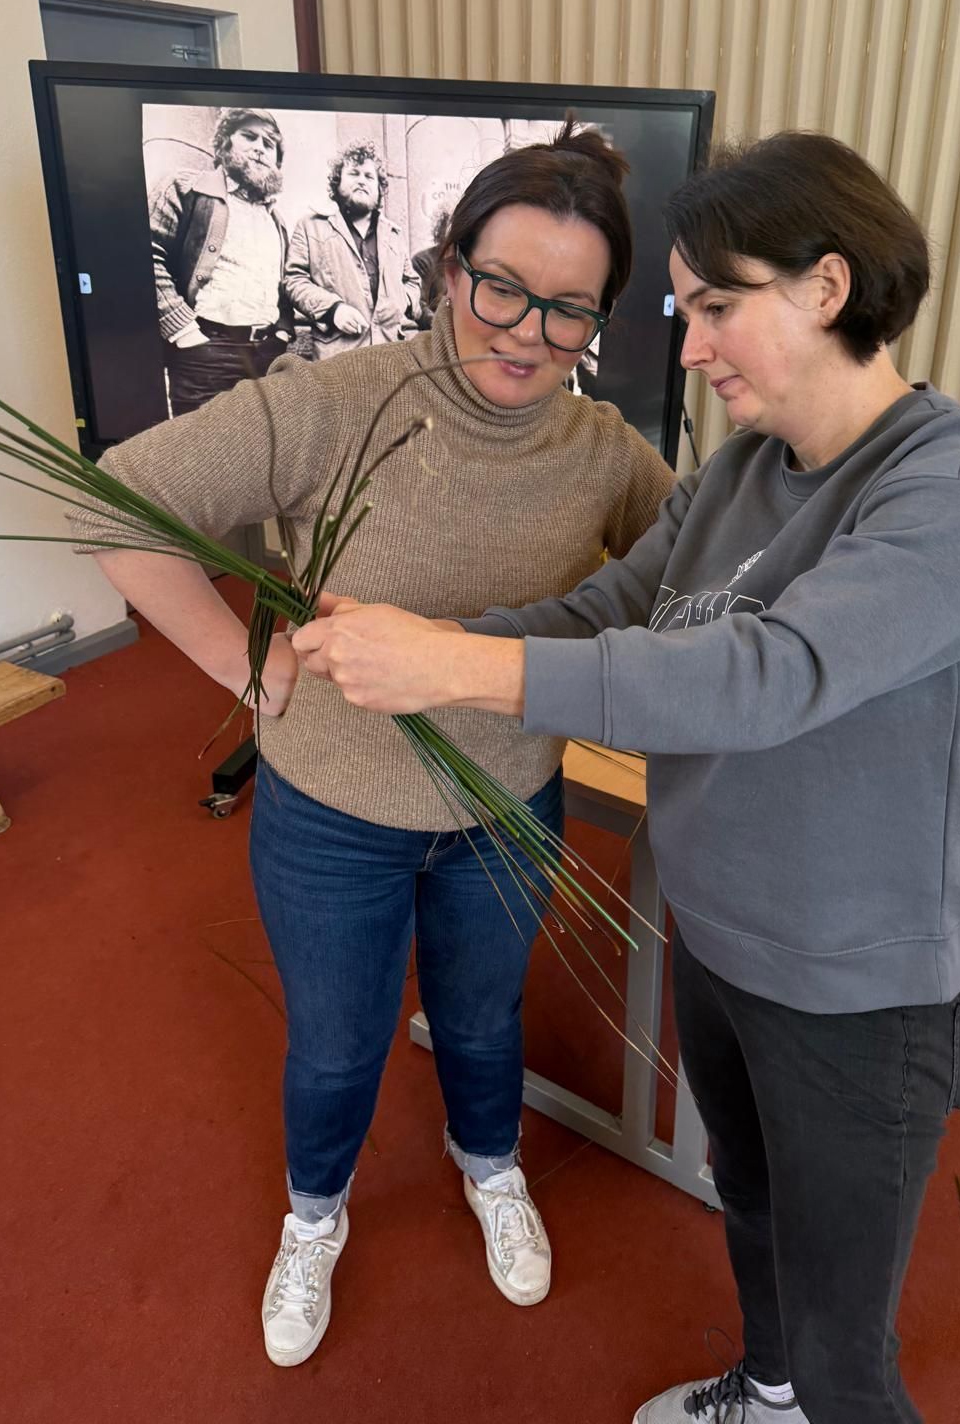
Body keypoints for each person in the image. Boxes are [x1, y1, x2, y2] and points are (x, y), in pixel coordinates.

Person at [288, 132, 960, 1423]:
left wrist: (458, 670)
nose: (692, 347)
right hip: (718, 940)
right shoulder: (741, 472)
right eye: (684, 311)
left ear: (827, 287)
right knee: (747, 1203)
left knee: (847, 1346)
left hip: (862, 988)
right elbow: (609, 610)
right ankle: (765, 1391)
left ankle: (808, 1390)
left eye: (717, 307)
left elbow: (767, 675)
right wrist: (429, 643)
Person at [70, 122, 674, 1370]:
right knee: (338, 1044)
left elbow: (693, 586)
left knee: (484, 1020)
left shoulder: (604, 454)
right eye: (501, 287)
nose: (528, 331)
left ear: (601, 318)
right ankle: (315, 1213)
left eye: (570, 309)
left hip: (508, 805)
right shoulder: (339, 404)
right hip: (330, 816)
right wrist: (251, 667)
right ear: (451, 268)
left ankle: (489, 1162)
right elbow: (114, 500)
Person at [148, 107, 296, 414]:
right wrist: (184, 331)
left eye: (269, 144)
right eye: (249, 137)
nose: (260, 148)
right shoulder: (186, 187)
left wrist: (282, 332)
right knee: (203, 443)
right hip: (204, 353)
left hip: (266, 355)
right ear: (225, 143)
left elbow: (284, 284)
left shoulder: (277, 220)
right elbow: (145, 254)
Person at [284, 140, 421, 359]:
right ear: (337, 182)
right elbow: (294, 280)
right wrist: (333, 310)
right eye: (354, 173)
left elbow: (412, 282)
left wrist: (401, 302)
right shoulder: (310, 226)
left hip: (390, 355)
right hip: (337, 358)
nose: (362, 181)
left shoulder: (395, 234)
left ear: (379, 188)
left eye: (369, 176)